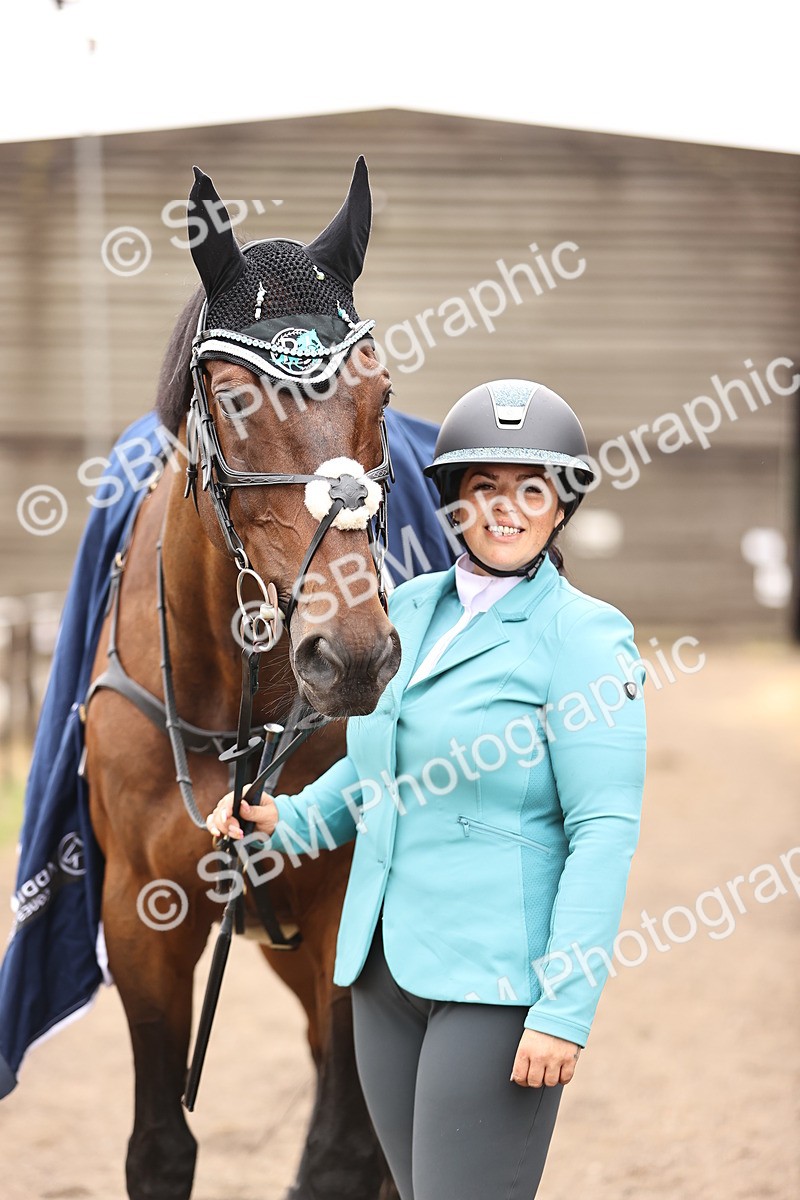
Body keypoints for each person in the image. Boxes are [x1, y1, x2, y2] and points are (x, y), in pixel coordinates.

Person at [207, 378, 647, 1200]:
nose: (505, 510)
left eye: (531, 490)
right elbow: (380, 773)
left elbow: (603, 833)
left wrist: (564, 1011)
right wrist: (285, 819)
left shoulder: (586, 640)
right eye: (484, 488)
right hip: (381, 977)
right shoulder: (408, 610)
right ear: (453, 503)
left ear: (560, 508)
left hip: (495, 985)